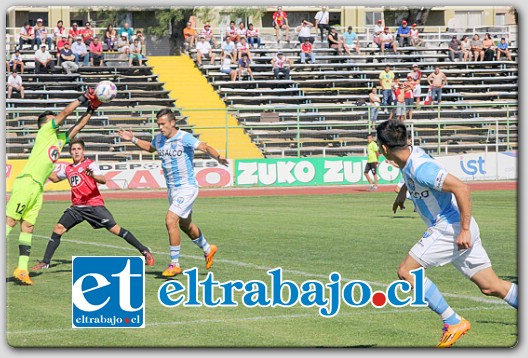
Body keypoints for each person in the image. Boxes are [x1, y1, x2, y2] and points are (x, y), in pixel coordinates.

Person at [377, 119, 518, 348]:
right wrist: (403, 192)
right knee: (491, 286)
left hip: (450, 228)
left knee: (407, 272)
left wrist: (463, 230)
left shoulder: (421, 168)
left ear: (384, 149)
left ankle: (452, 321)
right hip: (458, 228)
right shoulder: (410, 155)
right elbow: (411, 173)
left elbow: (462, 188)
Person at [6, 89, 102, 285]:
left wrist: (91, 108)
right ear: (45, 124)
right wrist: (84, 97)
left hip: (38, 187)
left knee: (28, 227)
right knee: (10, 222)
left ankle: (22, 270)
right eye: (52, 119)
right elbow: (65, 113)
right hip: (27, 181)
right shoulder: (45, 132)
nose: (57, 120)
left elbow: (79, 126)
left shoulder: (58, 140)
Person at [117, 109, 228, 277]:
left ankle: (174, 264)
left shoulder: (184, 137)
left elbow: (204, 147)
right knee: (185, 225)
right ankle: (208, 248)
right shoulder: (160, 138)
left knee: (170, 220)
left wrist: (218, 157)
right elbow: (150, 148)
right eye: (158, 124)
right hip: (172, 190)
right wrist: (132, 139)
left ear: (173, 123)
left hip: (187, 187)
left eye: (163, 124)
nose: (160, 127)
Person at [31, 139, 154, 271]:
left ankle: (144, 251)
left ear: (83, 151)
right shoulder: (69, 169)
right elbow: (55, 178)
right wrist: (43, 169)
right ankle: (46, 262)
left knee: (115, 229)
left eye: (78, 149)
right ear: (70, 152)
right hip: (77, 208)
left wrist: (93, 176)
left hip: (94, 205)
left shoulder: (90, 164)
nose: (76, 151)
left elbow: (103, 180)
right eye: (73, 149)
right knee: (58, 229)